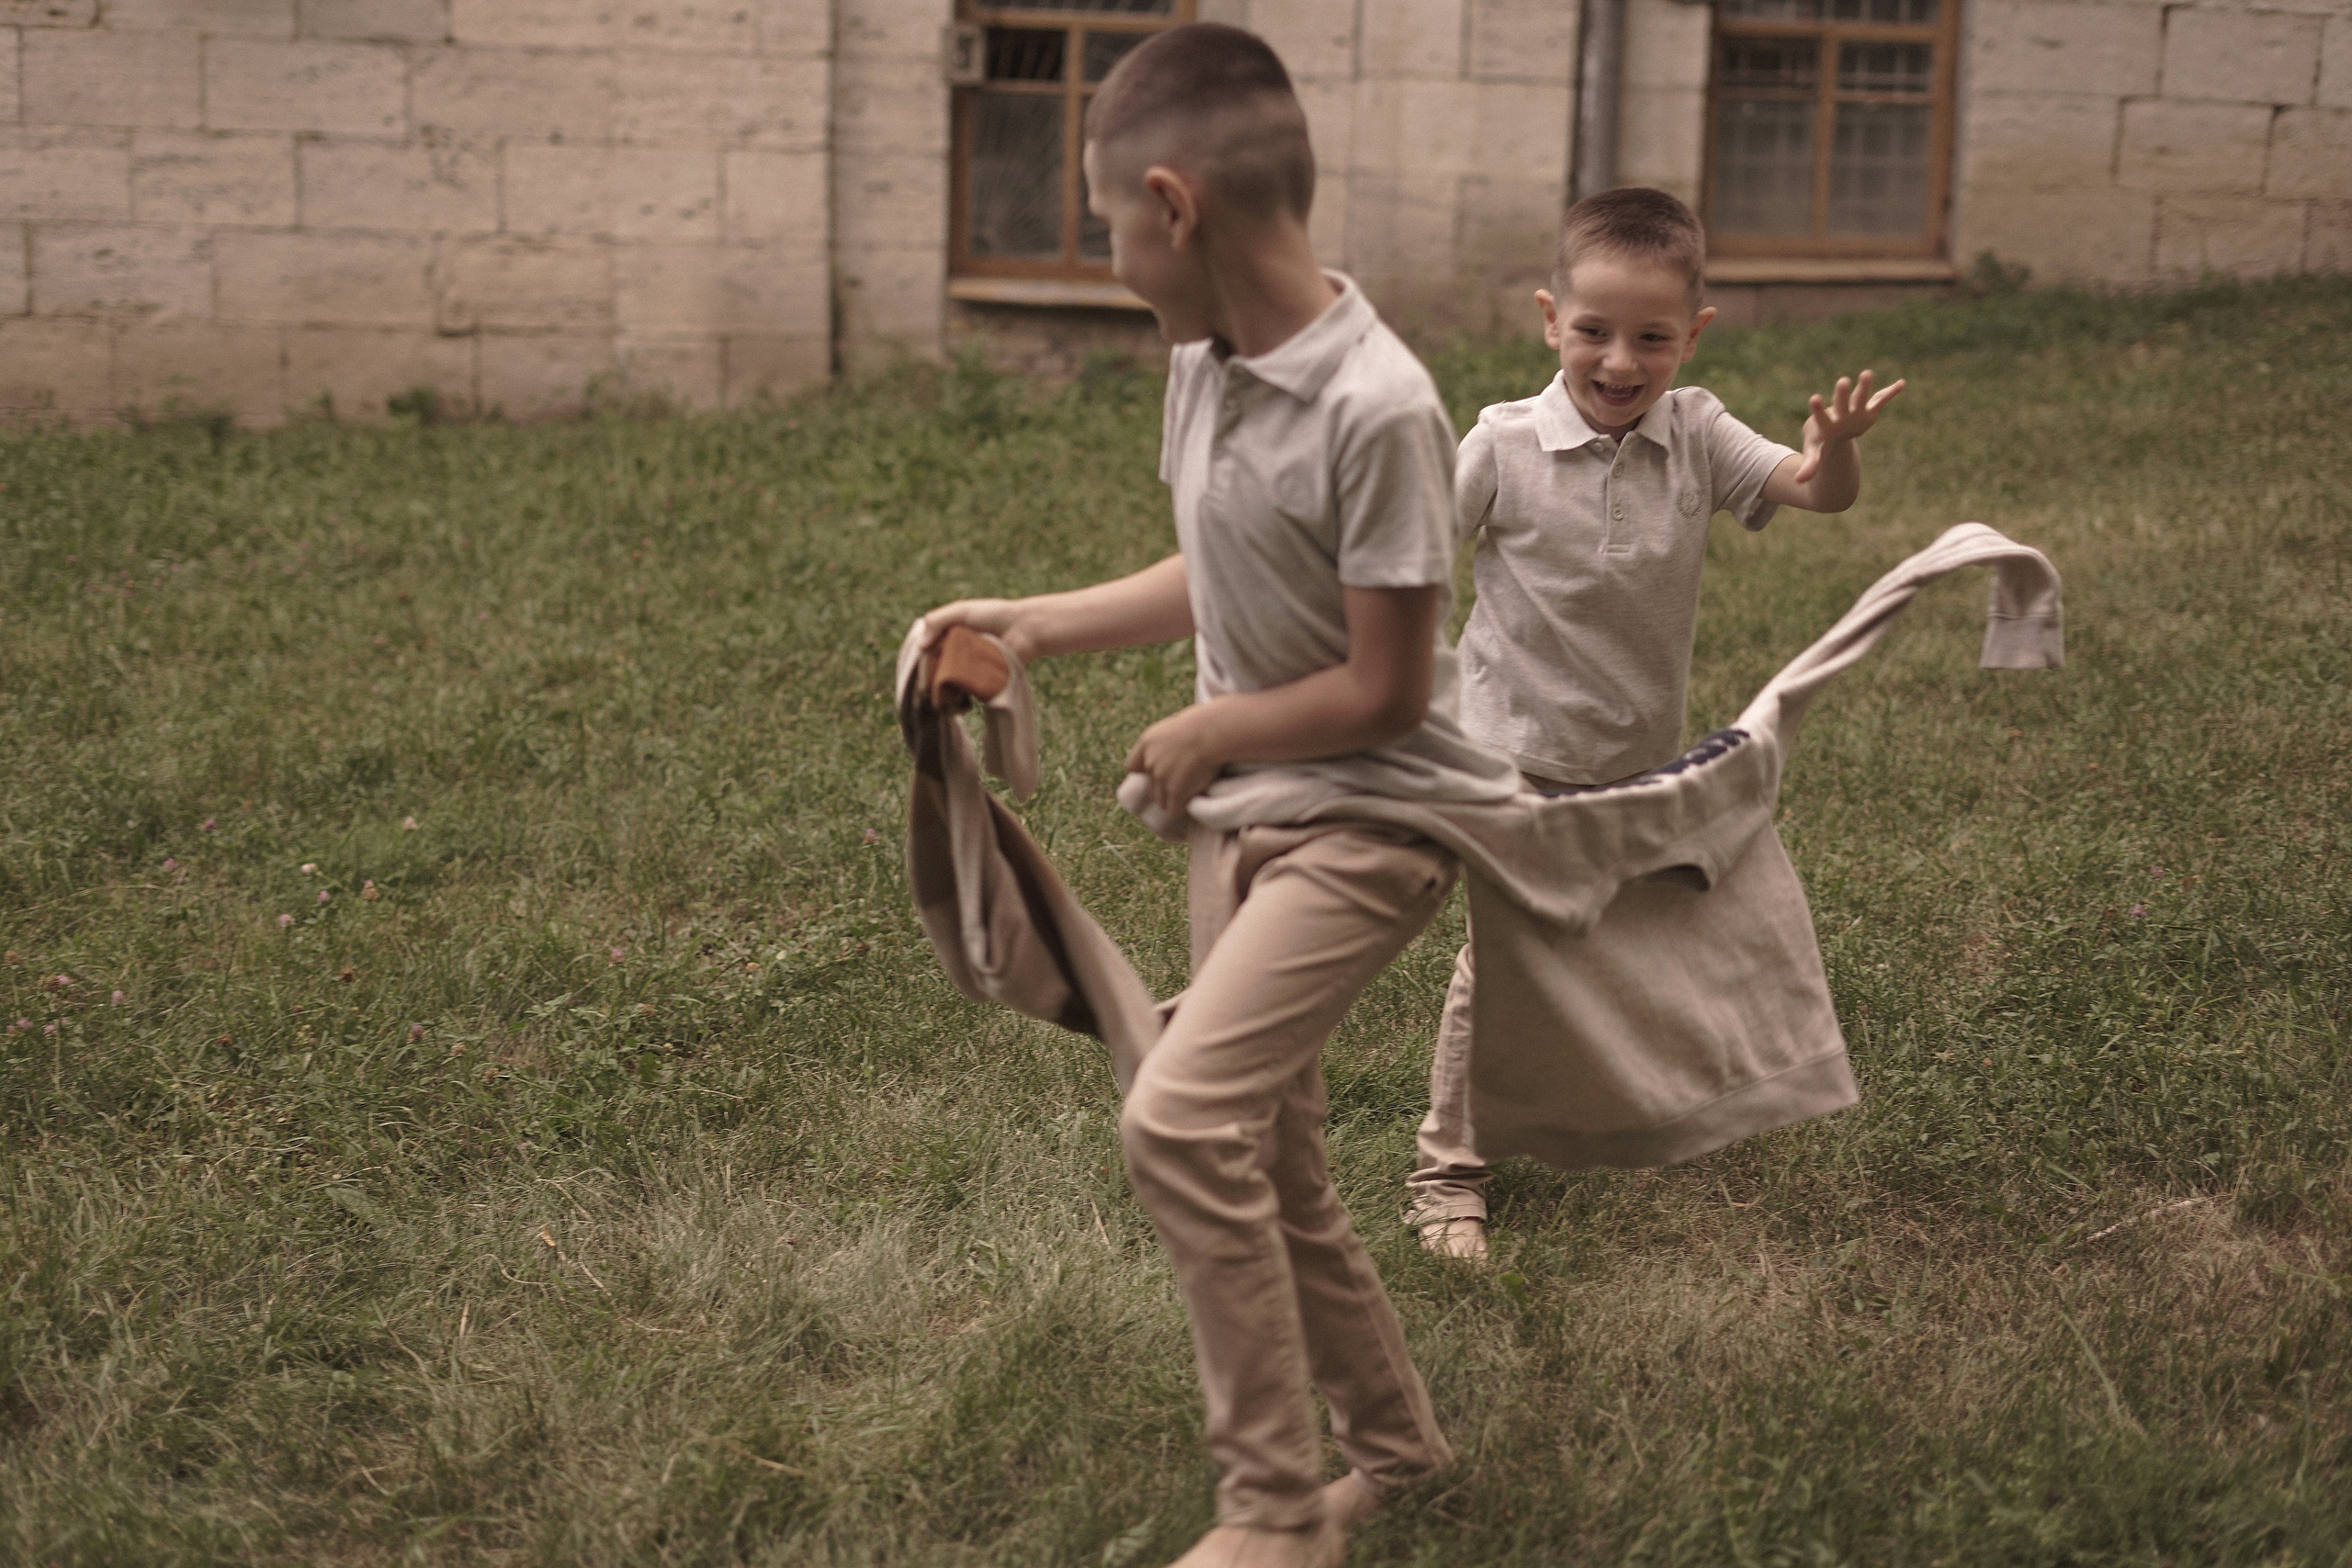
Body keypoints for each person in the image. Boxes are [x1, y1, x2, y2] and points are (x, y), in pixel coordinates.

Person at [918, 22, 1521, 1568]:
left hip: (1372, 821)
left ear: (1173, 208)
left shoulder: (1380, 407)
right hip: (1243, 816)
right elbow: (1221, 561)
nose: (1109, 256)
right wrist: (1034, 622)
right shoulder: (1206, 367)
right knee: (1273, 1156)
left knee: (1182, 1122)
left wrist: (1212, 729)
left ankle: (1272, 1508)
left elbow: (1389, 683)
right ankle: (1398, 1449)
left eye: (1108, 222)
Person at [1405, 186, 1905, 1262]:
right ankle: (1447, 1177)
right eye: (1593, 331)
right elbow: (1406, 563)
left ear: (1693, 334)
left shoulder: (1698, 431)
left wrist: (1836, 448)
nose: (1620, 362)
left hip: (1637, 764)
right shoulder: (1502, 445)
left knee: (1637, 940)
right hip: (1508, 757)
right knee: (1502, 964)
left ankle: (1609, 1107)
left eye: (1651, 338)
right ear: (1551, 320)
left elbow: (1818, 492)